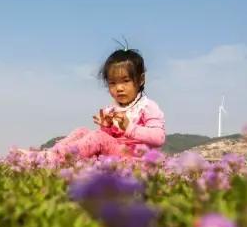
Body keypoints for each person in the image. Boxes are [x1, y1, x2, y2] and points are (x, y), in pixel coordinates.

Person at [21, 47, 165, 162]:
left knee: (97, 136)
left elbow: (159, 138)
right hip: (115, 156)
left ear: (140, 80)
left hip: (136, 159)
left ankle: (55, 159)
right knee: (82, 131)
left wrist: (129, 127)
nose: (119, 88)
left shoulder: (148, 107)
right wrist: (106, 127)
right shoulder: (113, 110)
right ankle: (50, 154)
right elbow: (109, 141)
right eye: (113, 83)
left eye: (125, 81)